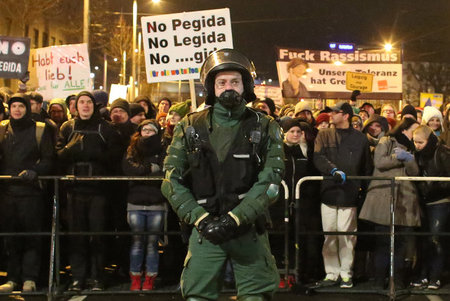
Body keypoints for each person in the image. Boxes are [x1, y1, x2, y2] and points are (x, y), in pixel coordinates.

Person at [161, 48, 284, 300]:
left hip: (248, 230)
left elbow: (270, 181)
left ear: (245, 85)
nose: (229, 87)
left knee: (256, 295)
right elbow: (171, 181)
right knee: (197, 295)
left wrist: (235, 219)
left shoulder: (266, 126)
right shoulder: (188, 126)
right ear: (211, 87)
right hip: (204, 230)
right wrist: (201, 219)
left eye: (235, 82)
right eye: (222, 82)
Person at [56, 91, 122, 291]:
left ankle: (97, 276)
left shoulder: (106, 128)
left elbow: (115, 156)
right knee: (77, 236)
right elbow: (58, 155)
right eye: (81, 102)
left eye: (88, 102)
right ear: (75, 106)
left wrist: (95, 154)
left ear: (94, 105)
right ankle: (78, 277)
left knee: (98, 235)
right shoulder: (67, 127)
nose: (85, 106)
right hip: (74, 190)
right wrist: (70, 150)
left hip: (98, 190)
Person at [313, 101, 372, 289]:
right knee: (330, 234)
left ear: (345, 115)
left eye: (336, 112)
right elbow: (318, 157)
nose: (331, 115)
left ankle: (346, 272)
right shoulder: (324, 135)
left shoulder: (360, 139)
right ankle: (331, 272)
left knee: (347, 235)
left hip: (350, 193)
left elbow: (366, 166)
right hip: (329, 191)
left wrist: (363, 188)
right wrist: (333, 170)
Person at [0, 93, 54, 292]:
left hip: (31, 193)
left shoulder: (40, 129)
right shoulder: (3, 128)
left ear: (27, 108)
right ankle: (12, 278)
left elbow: (49, 158)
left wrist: (36, 171)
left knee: (32, 236)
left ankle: (29, 278)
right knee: (11, 238)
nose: (17, 110)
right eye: (14, 106)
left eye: (21, 106)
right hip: (7, 193)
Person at [359, 118, 420, 289]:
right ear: (404, 129)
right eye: (413, 130)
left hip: (404, 199)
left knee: (400, 244)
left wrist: (409, 159)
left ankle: (398, 281)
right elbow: (380, 162)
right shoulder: (387, 141)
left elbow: (414, 172)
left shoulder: (414, 147)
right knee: (383, 243)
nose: (415, 134)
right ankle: (379, 280)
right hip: (382, 198)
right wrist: (397, 157)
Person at [122, 120, 166, 291]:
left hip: (156, 201)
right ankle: (135, 277)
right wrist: (149, 167)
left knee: (152, 243)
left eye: (151, 130)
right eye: (144, 130)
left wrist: (142, 170)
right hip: (135, 201)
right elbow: (129, 169)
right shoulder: (132, 149)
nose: (147, 133)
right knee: (138, 241)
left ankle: (150, 278)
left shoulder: (164, 149)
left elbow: (164, 169)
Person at [411, 125, 450, 290]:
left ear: (429, 140)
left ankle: (435, 276)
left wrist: (433, 186)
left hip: (440, 200)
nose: (417, 145)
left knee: (436, 239)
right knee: (425, 240)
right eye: (415, 142)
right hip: (423, 200)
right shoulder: (417, 155)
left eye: (420, 142)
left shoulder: (442, 153)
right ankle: (424, 274)